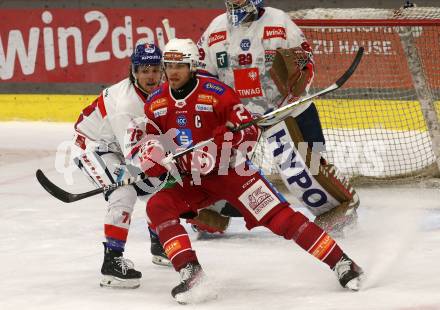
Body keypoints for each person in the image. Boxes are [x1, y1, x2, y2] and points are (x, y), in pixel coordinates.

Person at [138, 38, 364, 304]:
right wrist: (152, 155)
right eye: (169, 65)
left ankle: (342, 263)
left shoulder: (217, 93)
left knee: (282, 220)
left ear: (193, 66)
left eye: (180, 65)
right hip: (193, 179)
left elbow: (250, 131)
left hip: (232, 173)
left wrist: (227, 141)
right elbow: (152, 138)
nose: (173, 71)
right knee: (157, 206)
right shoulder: (156, 102)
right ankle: (192, 274)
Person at [196, 0, 360, 235]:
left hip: (286, 110)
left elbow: (306, 60)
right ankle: (209, 211)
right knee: (215, 164)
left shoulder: (279, 21)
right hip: (239, 118)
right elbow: (203, 76)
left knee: (306, 171)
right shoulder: (216, 28)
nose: (235, 2)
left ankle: (339, 206)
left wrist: (298, 78)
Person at [72, 43, 171, 289]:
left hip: (121, 145)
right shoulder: (126, 105)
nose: (150, 76)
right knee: (123, 191)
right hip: (94, 146)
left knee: (166, 184)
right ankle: (112, 262)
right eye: (144, 70)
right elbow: (136, 158)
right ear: (134, 71)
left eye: (155, 69)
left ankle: (159, 243)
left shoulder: (164, 92)